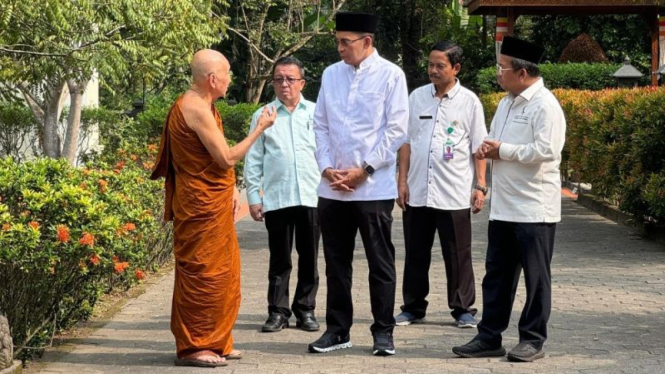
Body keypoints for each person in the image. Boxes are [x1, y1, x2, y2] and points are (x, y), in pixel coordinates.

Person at [150, 49, 277, 368]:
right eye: (228, 74)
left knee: (224, 273)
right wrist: (259, 129)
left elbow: (214, 164)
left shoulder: (203, 104)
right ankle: (195, 346)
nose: (230, 79)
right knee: (203, 273)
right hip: (199, 207)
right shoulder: (195, 108)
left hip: (212, 203)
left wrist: (231, 189)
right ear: (212, 79)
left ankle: (217, 340)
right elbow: (226, 158)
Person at [452, 36, 566, 362]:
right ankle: (489, 337)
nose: (497, 74)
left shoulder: (545, 105)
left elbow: (546, 150)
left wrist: (502, 150)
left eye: (501, 68)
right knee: (497, 276)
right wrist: (487, 149)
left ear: (521, 72)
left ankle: (532, 340)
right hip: (503, 208)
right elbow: (496, 141)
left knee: (536, 279)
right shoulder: (506, 102)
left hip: (534, 209)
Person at [307, 11, 409, 356]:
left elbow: (397, 130)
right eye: (336, 41)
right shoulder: (331, 74)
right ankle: (338, 331)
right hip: (333, 187)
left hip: (373, 188)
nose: (339, 48)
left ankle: (383, 332)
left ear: (367, 42)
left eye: (344, 42)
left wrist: (364, 170)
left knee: (380, 262)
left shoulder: (391, 76)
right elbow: (319, 125)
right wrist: (325, 167)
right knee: (336, 264)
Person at [394, 41, 487, 329]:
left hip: (454, 191)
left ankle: (463, 309)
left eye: (440, 66)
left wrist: (480, 185)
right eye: (430, 64)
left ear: (456, 68)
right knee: (415, 252)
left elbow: (478, 147)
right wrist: (402, 180)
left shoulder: (469, 101)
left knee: (458, 253)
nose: (433, 70)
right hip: (418, 189)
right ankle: (412, 307)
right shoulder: (417, 97)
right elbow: (407, 141)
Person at [244, 56, 321, 333]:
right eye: (278, 79)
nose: (284, 84)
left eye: (290, 79)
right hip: (277, 197)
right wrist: (253, 197)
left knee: (309, 257)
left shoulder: (316, 112)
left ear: (301, 82)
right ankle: (277, 312)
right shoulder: (263, 115)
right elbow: (253, 158)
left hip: (312, 196)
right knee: (280, 259)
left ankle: (306, 310)